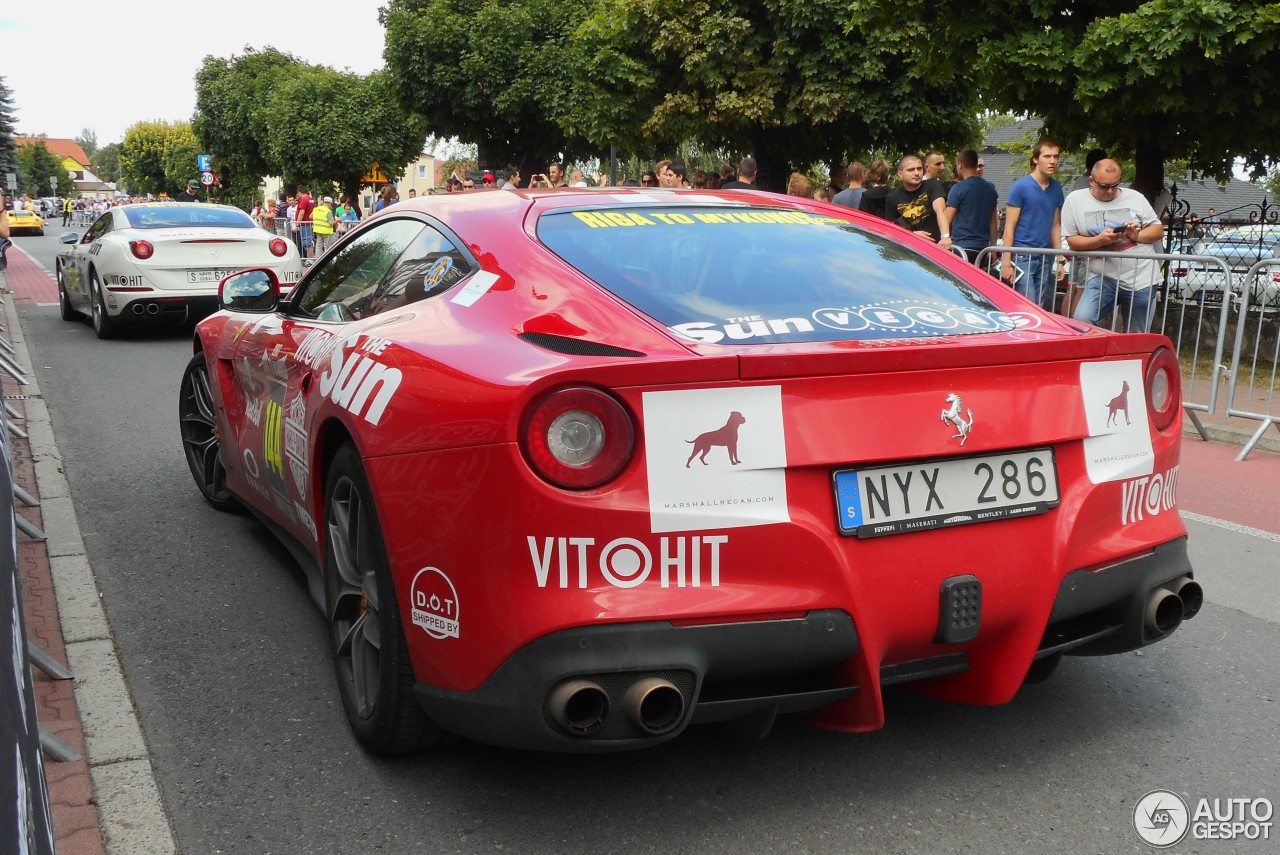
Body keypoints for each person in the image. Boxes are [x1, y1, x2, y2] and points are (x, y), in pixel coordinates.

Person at [1062, 158, 1164, 332]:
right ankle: (1098, 355)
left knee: (1135, 334)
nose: (1109, 191)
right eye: (1104, 186)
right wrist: (1099, 240)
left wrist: (1136, 235)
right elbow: (1072, 241)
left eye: (1115, 185)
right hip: (1102, 276)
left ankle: (1130, 357)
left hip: (1140, 277)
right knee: (1083, 319)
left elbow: (1158, 230)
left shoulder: (1135, 198)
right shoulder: (1075, 200)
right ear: (1091, 180)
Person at [1000, 138, 1064, 311]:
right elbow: (1009, 227)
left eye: (1056, 156)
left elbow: (1055, 225)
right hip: (1022, 256)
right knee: (1028, 307)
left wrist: (1060, 259)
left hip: (1045, 256)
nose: (1053, 161)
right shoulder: (1020, 187)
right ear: (1036, 159)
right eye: (1047, 156)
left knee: (1041, 306)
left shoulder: (1057, 188)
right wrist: (1006, 262)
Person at [944, 148, 998, 261]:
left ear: (960, 165)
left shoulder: (958, 188)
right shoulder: (990, 188)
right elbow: (993, 222)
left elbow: (947, 219)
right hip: (983, 248)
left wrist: (945, 237)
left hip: (961, 248)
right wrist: (993, 248)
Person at [885, 154, 949, 246]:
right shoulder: (892, 197)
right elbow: (891, 229)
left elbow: (941, 210)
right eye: (911, 170)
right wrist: (911, 235)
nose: (917, 173)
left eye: (919, 169)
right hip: (909, 250)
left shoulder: (933, 185)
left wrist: (945, 236)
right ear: (900, 174)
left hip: (935, 248)